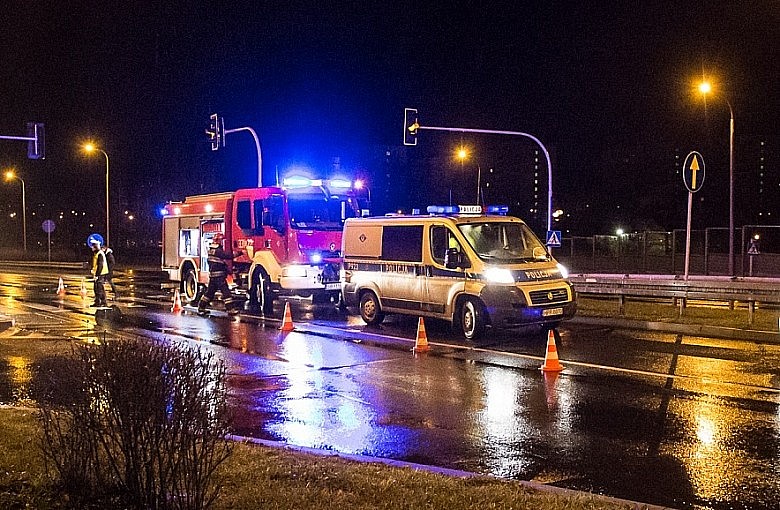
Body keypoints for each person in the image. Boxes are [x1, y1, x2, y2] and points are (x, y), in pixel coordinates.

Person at [197, 233, 242, 316]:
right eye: (221, 240)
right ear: (218, 241)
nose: (222, 242)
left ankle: (201, 307)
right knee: (226, 293)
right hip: (219, 276)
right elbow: (228, 256)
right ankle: (230, 309)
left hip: (214, 276)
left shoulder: (212, 249)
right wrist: (240, 253)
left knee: (209, 293)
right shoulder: (217, 251)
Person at [90, 239, 109, 307]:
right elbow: (96, 264)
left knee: (99, 288)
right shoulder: (97, 253)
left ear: (95, 247)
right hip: (99, 273)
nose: (91, 248)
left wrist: (97, 275)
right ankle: (99, 302)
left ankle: (102, 302)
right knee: (97, 288)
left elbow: (100, 265)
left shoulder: (100, 254)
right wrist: (93, 270)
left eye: (92, 247)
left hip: (101, 274)